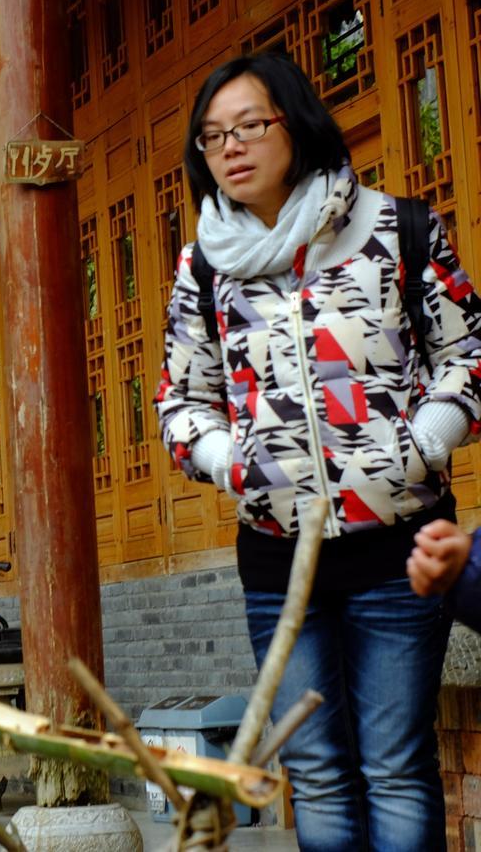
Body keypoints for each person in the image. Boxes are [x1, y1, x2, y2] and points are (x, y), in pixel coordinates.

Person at [155, 52, 481, 851]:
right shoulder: (203, 265)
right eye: (211, 137)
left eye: (249, 126)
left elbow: (467, 355)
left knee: (395, 764)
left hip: (397, 549)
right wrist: (231, 459)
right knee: (320, 770)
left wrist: (421, 441)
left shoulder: (396, 228)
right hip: (276, 561)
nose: (230, 148)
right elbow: (179, 400)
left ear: (294, 123)